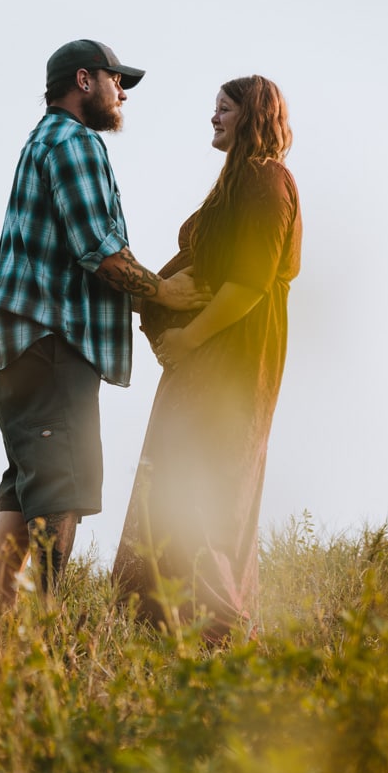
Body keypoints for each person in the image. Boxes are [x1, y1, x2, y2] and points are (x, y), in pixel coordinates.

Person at [0, 39, 210, 610]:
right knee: (62, 484)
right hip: (51, 340)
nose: (122, 91)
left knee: (28, 476)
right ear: (85, 80)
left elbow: (77, 255)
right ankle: (47, 622)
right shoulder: (75, 142)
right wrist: (168, 294)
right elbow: (100, 251)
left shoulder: (42, 141)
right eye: (116, 79)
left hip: (16, 340)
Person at [113, 74, 302, 643]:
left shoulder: (266, 180)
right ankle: (154, 627)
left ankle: (215, 632)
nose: (213, 118)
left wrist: (189, 339)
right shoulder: (234, 183)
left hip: (233, 361)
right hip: (198, 359)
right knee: (168, 477)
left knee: (210, 479)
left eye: (223, 109)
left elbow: (247, 285)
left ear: (253, 116)